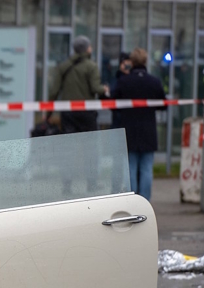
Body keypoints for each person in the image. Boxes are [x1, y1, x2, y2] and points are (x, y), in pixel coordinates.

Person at [49, 36, 109, 194]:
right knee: (90, 148)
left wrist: (48, 113)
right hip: (87, 113)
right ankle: (92, 183)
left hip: (68, 113)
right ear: (87, 49)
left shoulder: (63, 66)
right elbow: (96, 88)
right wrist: (105, 90)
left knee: (68, 149)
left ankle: (67, 185)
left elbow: (54, 91)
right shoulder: (91, 66)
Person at [112, 48, 166, 200]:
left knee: (130, 168)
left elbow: (113, 103)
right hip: (148, 130)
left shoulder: (124, 81)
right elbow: (163, 104)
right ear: (145, 61)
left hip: (129, 130)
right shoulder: (154, 82)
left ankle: (133, 202)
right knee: (147, 168)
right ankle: (145, 202)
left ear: (132, 62)